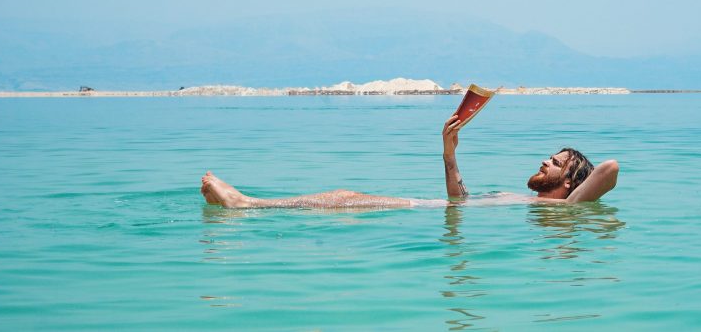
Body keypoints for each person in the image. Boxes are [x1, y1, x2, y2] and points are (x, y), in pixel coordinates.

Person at [200, 115, 619, 209]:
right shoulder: (543, 207)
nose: (544, 161)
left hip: (422, 212)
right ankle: (248, 204)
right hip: (440, 209)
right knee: (345, 198)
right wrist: (449, 151)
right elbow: (460, 201)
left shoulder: (566, 209)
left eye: (556, 162)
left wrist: (575, 195)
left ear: (571, 180)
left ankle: (246, 205)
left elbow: (610, 168)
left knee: (345, 199)